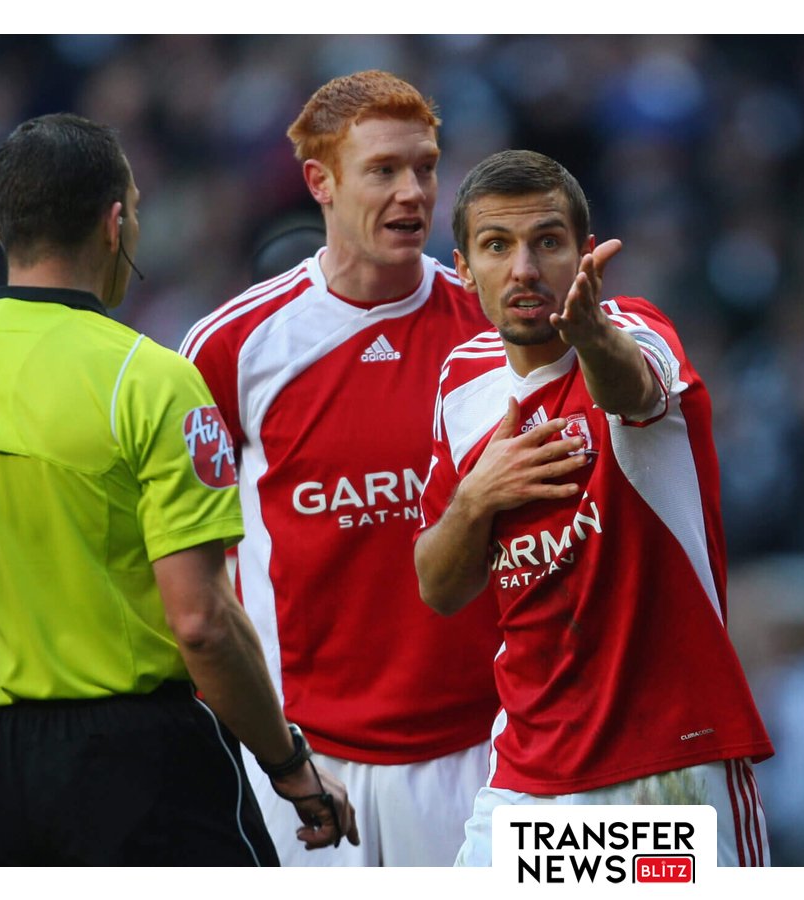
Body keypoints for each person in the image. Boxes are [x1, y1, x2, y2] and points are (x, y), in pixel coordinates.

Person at [0, 112, 358, 865]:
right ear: (116, 225)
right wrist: (289, 765)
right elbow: (201, 622)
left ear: (1, 227)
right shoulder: (149, 381)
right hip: (137, 762)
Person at [414, 149, 774, 867]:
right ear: (464, 270)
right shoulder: (462, 383)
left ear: (584, 252)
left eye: (547, 242)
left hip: (663, 770)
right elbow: (439, 586)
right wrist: (477, 496)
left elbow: (631, 387)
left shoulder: (635, 331)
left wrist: (588, 335)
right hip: (525, 774)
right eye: (497, 246)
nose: (524, 268)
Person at [180, 71, 503, 867]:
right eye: (383, 170)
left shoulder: (495, 324)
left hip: (481, 747)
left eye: (425, 168)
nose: (412, 193)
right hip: (300, 758)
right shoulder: (232, 347)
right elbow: (186, 570)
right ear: (320, 183)